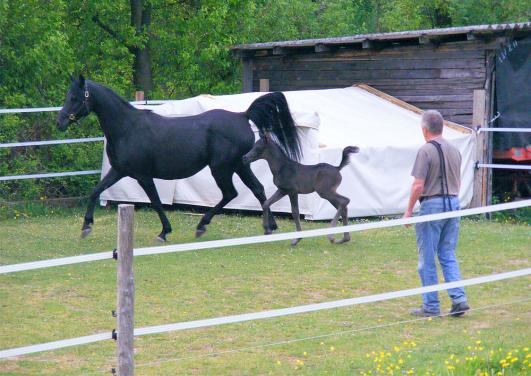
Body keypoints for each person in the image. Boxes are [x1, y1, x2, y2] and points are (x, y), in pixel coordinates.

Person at [403, 110, 470, 317]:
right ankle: (459, 299)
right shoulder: (455, 150)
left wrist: (408, 212)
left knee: (427, 257)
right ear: (441, 127)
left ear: (424, 129)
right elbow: (457, 183)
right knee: (448, 253)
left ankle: (431, 306)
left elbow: (418, 185)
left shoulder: (425, 151)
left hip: (432, 205)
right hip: (453, 202)